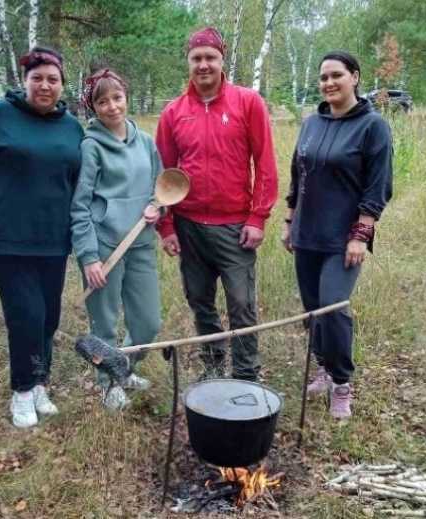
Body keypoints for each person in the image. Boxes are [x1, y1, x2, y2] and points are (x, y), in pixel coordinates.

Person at [155, 27, 279, 381]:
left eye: (210, 57)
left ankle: (246, 373)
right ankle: (212, 364)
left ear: (222, 60)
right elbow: (163, 174)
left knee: (241, 303)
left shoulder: (247, 102)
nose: (203, 65)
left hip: (235, 226)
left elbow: (265, 163)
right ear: (189, 63)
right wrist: (165, 226)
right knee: (200, 301)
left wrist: (258, 217)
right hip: (189, 225)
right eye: (197, 58)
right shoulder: (174, 112)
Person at [0, 46, 83, 428]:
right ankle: (21, 390)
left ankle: (40, 382)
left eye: (52, 79)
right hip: (7, 236)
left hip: (55, 236)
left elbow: (78, 179)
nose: (45, 85)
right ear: (25, 82)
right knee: (25, 315)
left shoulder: (72, 127)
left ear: (62, 84)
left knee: (49, 316)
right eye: (37, 78)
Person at [281, 51, 393, 419]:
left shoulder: (373, 127)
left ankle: (342, 382)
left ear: (355, 77)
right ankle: (323, 369)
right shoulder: (312, 122)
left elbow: (378, 188)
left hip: (343, 238)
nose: (329, 83)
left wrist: (361, 235)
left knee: (333, 307)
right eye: (323, 77)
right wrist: (289, 220)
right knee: (312, 310)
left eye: (336, 75)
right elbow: (299, 174)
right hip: (306, 233)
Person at [70, 69, 162, 410]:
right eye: (102, 101)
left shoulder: (147, 142)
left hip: (139, 243)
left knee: (148, 323)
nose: (111, 107)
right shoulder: (91, 147)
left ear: (126, 97)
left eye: (117, 98)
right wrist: (89, 256)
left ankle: (124, 367)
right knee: (104, 323)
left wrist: (157, 208)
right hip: (104, 247)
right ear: (93, 106)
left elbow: (160, 191)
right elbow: (79, 206)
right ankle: (109, 385)